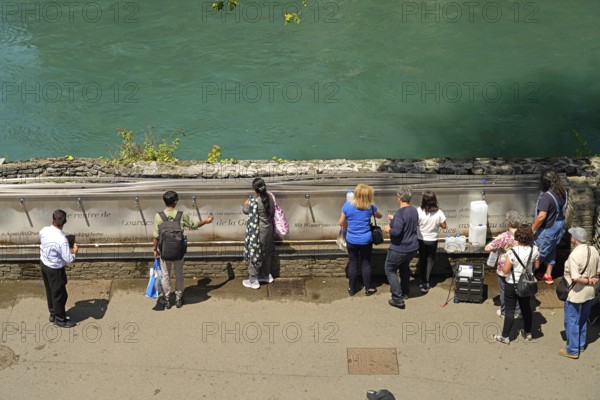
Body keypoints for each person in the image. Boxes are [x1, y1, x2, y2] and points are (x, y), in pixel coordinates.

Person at [153, 191, 213, 308]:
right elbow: (194, 226)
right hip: (178, 251)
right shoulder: (181, 215)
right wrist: (206, 221)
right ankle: (179, 299)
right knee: (179, 274)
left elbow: (155, 236)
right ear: (175, 202)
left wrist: (155, 250)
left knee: (165, 275)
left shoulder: (158, 216)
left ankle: (167, 300)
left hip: (164, 251)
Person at [493, 223, 540, 344]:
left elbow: (506, 270)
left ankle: (505, 336)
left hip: (512, 283)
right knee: (526, 308)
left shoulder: (512, 252)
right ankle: (528, 332)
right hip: (526, 283)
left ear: (517, 237)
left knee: (509, 310)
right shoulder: (534, 250)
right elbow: (537, 265)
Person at [559, 227, 600, 359]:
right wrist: (592, 279)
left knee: (572, 320)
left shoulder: (574, 256)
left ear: (575, 241)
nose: (570, 239)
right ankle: (580, 345)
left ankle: (572, 350)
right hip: (590, 293)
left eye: (571, 237)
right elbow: (598, 271)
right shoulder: (593, 250)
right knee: (583, 320)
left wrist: (587, 279)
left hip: (576, 293)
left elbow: (575, 277)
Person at [339, 184, 383, 296]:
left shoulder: (347, 206)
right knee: (366, 263)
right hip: (366, 240)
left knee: (353, 263)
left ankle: (352, 288)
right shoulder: (370, 207)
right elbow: (380, 216)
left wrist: (349, 223)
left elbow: (341, 222)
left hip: (351, 240)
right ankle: (368, 288)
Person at [39, 209, 78, 328]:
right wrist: (75, 251)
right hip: (55, 269)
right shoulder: (62, 240)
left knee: (50, 291)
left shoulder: (44, 230)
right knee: (60, 295)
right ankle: (60, 320)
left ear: (52, 219)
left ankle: (53, 314)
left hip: (44, 264)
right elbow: (68, 259)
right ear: (64, 222)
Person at [384, 186, 419, 309]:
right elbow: (407, 223)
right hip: (412, 247)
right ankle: (405, 292)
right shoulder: (414, 210)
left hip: (400, 248)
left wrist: (388, 229)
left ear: (399, 197)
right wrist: (395, 219)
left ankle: (397, 299)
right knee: (404, 268)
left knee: (390, 269)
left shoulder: (400, 213)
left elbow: (397, 232)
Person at [532, 169, 567, 284]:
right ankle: (548, 274)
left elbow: (541, 216)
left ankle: (529, 275)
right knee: (551, 248)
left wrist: (531, 229)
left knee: (539, 253)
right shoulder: (562, 191)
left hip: (548, 230)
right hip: (559, 227)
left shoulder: (546, 197)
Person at [484, 210, 522, 318]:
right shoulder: (524, 235)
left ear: (508, 224)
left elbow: (488, 248)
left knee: (504, 290)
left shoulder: (503, 236)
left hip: (504, 267)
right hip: (519, 267)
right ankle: (518, 311)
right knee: (518, 289)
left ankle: (505, 311)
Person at [242, 178, 276, 289]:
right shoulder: (270, 197)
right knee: (266, 253)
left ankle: (253, 281)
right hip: (269, 230)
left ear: (255, 189)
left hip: (259, 232)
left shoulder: (255, 202)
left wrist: (245, 203)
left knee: (255, 254)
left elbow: (246, 210)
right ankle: (266, 275)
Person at [416, 190, 447, 294]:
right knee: (430, 261)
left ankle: (421, 281)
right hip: (432, 240)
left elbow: (415, 224)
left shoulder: (419, 211)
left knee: (422, 260)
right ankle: (426, 282)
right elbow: (444, 226)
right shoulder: (439, 212)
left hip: (421, 239)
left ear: (423, 200)